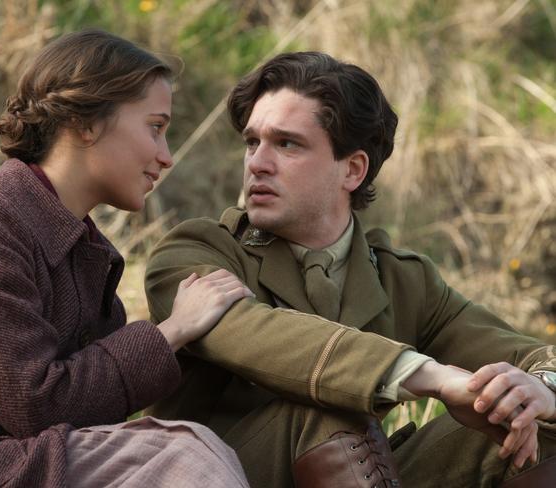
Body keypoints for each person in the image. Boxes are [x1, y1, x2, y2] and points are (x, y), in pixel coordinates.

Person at [144, 51, 556, 488]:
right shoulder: (196, 250)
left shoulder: (401, 278)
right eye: (252, 142)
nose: (257, 163)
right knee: (323, 411)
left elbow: (530, 356)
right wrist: (429, 376)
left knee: (528, 427)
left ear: (353, 170)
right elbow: (257, 335)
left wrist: (538, 389)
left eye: (286, 144)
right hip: (220, 476)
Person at [0, 29, 254, 488]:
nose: (166, 157)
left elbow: (90, 414)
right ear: (86, 122)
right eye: (155, 126)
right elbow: (36, 406)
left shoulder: (88, 257)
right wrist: (172, 330)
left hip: (11, 459)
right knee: (180, 457)